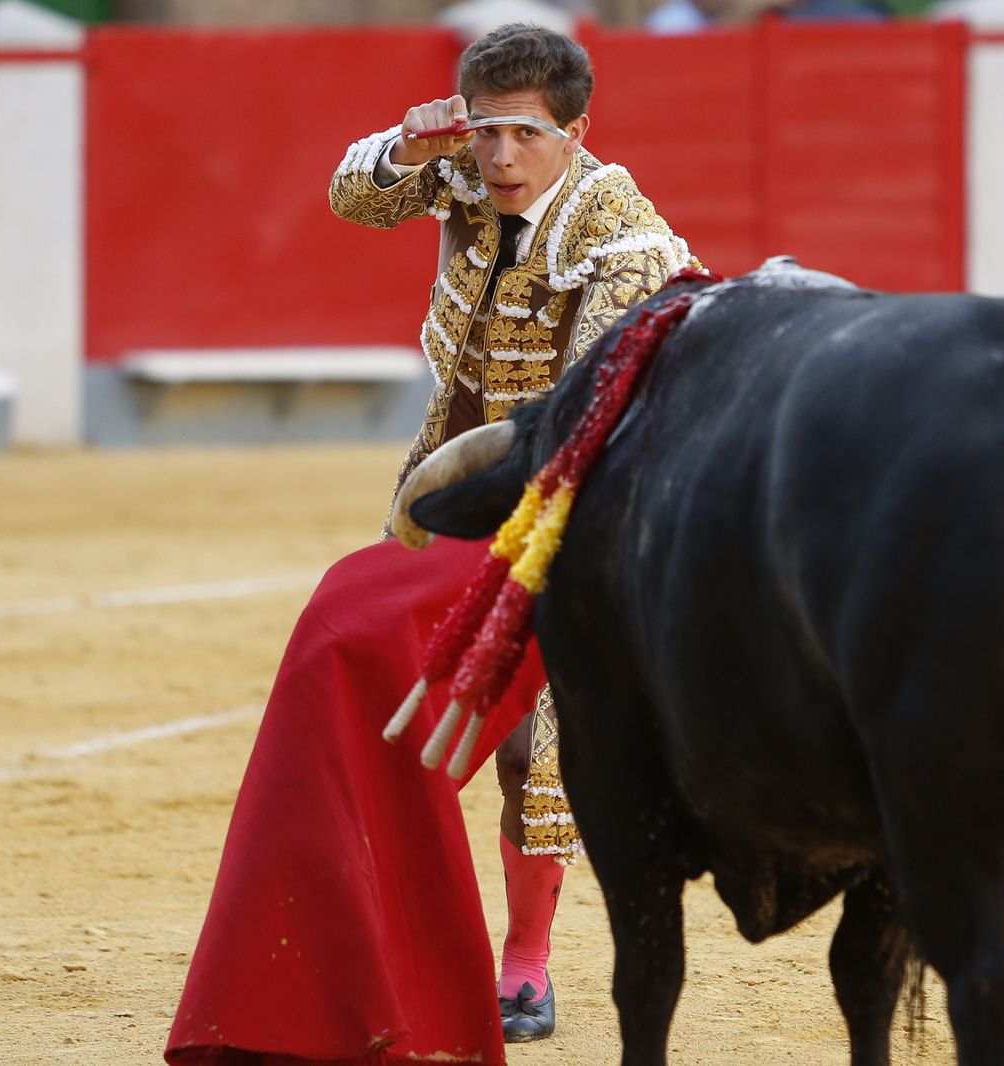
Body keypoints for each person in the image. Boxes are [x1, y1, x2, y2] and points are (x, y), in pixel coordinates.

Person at [165, 24, 698, 1064]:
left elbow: (588, 406)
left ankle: (526, 958)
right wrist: (406, 149)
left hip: (562, 502)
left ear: (577, 131)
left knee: (530, 738)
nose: (501, 156)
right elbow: (351, 198)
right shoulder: (457, 168)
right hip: (448, 484)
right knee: (391, 701)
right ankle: (380, 924)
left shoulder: (622, 231)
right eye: (486, 131)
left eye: (526, 135)